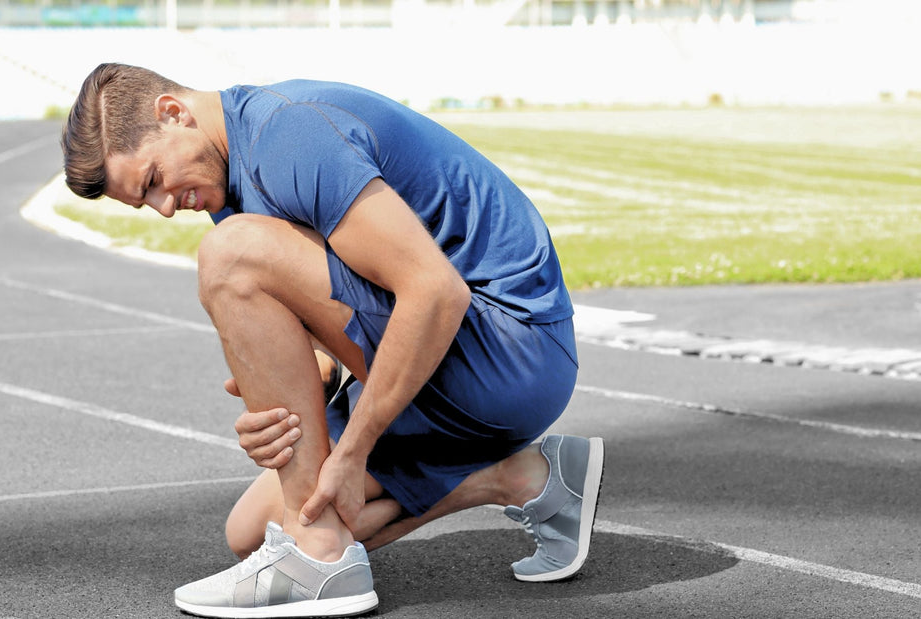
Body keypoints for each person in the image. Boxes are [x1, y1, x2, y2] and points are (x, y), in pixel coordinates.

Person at [61, 62, 604, 618]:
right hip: (455, 364)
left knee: (230, 255)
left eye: (153, 181)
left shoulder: (287, 134)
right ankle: (519, 478)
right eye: (144, 202)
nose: (166, 207)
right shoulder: (225, 180)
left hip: (513, 353)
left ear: (173, 113)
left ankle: (318, 559)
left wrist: (352, 450)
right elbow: (333, 322)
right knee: (254, 536)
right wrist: (281, 396)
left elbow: (436, 292)